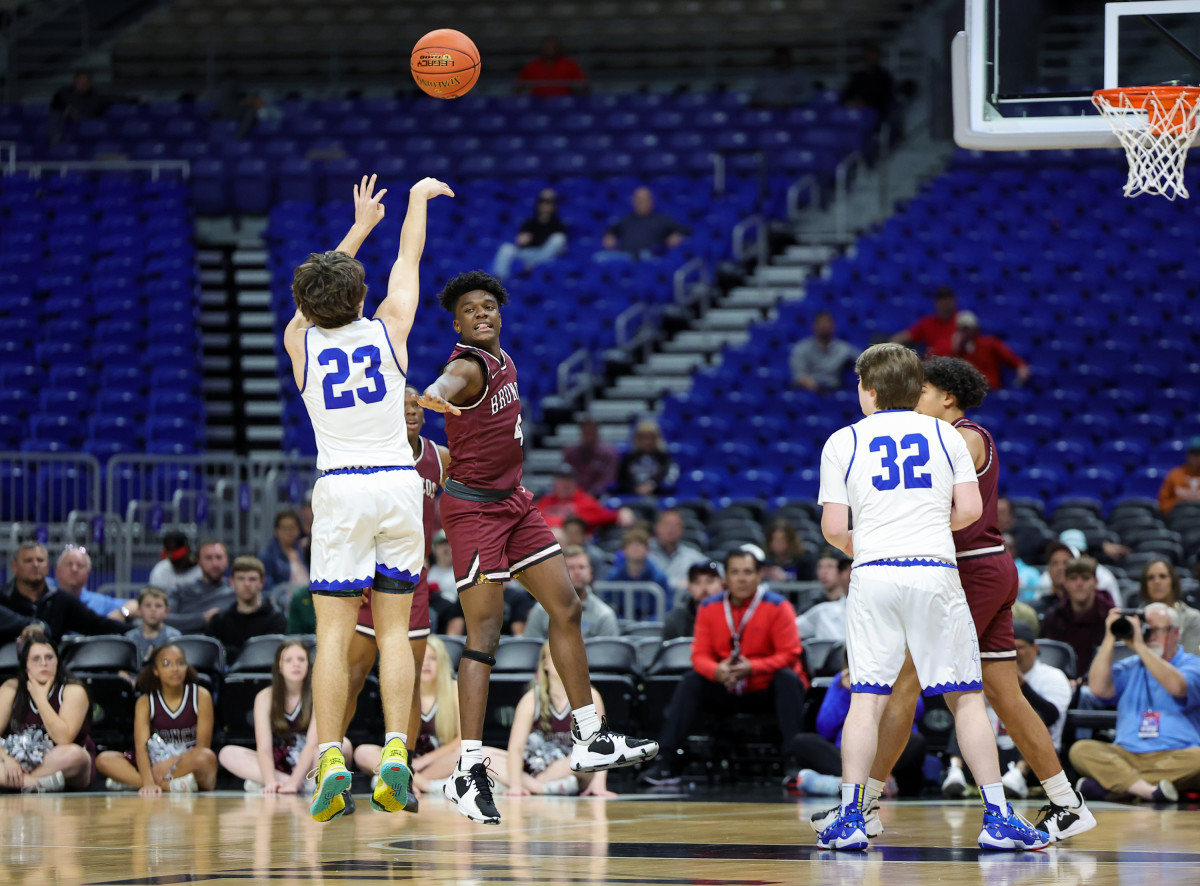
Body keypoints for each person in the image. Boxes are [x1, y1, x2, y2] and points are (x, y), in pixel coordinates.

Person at [418, 267, 659, 825]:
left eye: (488, 307)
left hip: (515, 503)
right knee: (484, 636)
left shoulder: (506, 361)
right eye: (469, 310)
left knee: (567, 607)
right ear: (456, 323)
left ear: (499, 314)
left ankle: (590, 736)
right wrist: (433, 396)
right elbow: (446, 384)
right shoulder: (467, 365)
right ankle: (468, 771)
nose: (481, 314)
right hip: (474, 511)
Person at [820, 356, 1092, 843]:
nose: (913, 399)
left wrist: (892, 532)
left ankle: (862, 806)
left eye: (921, 390)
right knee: (1003, 693)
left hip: (967, 568)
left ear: (946, 396)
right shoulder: (944, 437)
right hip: (976, 567)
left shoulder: (964, 436)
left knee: (905, 682)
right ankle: (1066, 801)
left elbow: (935, 509)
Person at [283, 175, 450, 822]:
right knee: (395, 635)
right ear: (360, 295)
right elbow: (409, 261)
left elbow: (307, 300)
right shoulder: (390, 329)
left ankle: (330, 757)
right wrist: (411, 204)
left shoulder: (300, 343)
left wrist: (356, 228)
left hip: (344, 486)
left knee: (332, 636)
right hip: (398, 485)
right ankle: (398, 755)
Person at [341, 383, 451, 813]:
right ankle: (328, 766)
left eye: (416, 405)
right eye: (402, 404)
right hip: (371, 577)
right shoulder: (373, 454)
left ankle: (397, 777)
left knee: (408, 687)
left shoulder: (438, 457)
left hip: (415, 581)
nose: (411, 410)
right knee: (350, 677)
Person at [640, 549, 806, 787]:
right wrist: (717, 671)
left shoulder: (779, 607)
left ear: (759, 576)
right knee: (691, 681)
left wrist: (754, 667)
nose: (741, 578)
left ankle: (794, 762)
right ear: (725, 578)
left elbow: (790, 654)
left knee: (788, 678)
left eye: (748, 572)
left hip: (763, 688)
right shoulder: (708, 607)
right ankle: (665, 762)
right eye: (735, 572)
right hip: (725, 686)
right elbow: (699, 656)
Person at [1071, 603, 1200, 803]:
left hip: (1176, 755)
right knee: (1080, 750)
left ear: (1175, 632)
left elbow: (1177, 686)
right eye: (1144, 629)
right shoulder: (1130, 666)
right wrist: (1110, 637)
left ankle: (1116, 787)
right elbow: (1098, 688)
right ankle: (1148, 791)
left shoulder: (1192, 664)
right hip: (1126, 754)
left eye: (1154, 630)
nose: (1148, 636)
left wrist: (1139, 646)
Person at [355, 636, 507, 796]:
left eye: (433, 658)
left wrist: (426, 761)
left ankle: (399, 781)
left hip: (439, 763)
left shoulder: (455, 689)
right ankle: (425, 785)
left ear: (442, 663)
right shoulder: (402, 693)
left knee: (468, 754)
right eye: (422, 658)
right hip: (403, 762)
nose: (426, 663)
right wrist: (410, 762)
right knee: (363, 752)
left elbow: (462, 739)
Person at [217, 640, 349, 794]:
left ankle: (307, 781)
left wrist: (294, 783)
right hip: (281, 760)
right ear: (279, 665)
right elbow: (264, 747)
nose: (296, 664)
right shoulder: (265, 696)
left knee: (342, 744)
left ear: (309, 664)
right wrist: (270, 781)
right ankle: (290, 783)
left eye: (301, 659)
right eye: (289, 660)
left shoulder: (319, 694)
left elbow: (312, 744)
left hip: (312, 762)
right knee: (227, 753)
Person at [787, 659, 926, 798]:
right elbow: (824, 728)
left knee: (916, 742)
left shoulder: (900, 678)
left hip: (889, 751)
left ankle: (845, 784)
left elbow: (917, 710)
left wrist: (888, 689)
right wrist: (845, 693)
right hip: (848, 752)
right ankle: (869, 783)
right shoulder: (841, 681)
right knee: (802, 742)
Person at [95, 642, 218, 794]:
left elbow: (202, 746)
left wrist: (170, 762)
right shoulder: (146, 701)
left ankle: (131, 781)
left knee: (206, 758)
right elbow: (141, 747)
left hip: (185, 763)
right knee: (104, 759)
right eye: (166, 664)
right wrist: (147, 783)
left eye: (180, 663)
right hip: (154, 763)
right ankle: (168, 786)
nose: (175, 669)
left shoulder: (200, 696)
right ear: (155, 670)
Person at [977, 621, 1073, 801]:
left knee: (1033, 716)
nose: (1014, 653)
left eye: (1019, 647)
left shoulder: (1053, 676)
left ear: (1035, 648)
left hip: (1036, 758)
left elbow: (1051, 715)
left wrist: (1021, 685)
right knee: (968, 716)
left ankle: (1019, 774)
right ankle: (955, 770)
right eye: (1009, 648)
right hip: (996, 751)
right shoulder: (988, 677)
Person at [506, 643, 617, 797]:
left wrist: (598, 786)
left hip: (572, 767)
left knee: (581, 758)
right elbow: (515, 749)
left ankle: (536, 785)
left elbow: (601, 745)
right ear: (544, 664)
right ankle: (546, 788)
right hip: (535, 765)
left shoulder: (589, 696)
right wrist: (515, 787)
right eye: (555, 656)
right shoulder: (531, 698)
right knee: (482, 755)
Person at [0, 628, 94, 792]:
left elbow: (63, 738)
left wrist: (40, 699)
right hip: (16, 760)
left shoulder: (73, 690)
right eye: (36, 659)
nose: (44, 663)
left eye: (49, 657)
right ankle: (36, 784)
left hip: (60, 763)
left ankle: (20, 783)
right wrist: (6, 759)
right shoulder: (10, 688)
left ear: (57, 661)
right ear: (25, 665)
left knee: (76, 755)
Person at [0, 542, 125, 643]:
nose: (35, 565)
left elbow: (96, 624)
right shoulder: (2, 599)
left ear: (48, 566)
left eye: (40, 560)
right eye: (28, 561)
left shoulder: (61, 600)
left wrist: (136, 631)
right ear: (14, 566)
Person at [523, 547, 619, 641]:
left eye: (582, 567)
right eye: (571, 568)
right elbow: (529, 651)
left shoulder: (604, 615)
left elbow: (608, 655)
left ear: (590, 572)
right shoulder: (541, 611)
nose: (577, 572)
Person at [204, 556, 288, 661]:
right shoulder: (218, 622)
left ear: (262, 582)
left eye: (252, 579)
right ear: (232, 582)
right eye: (241, 578)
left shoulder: (277, 621)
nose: (247, 584)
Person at [1041, 557, 1111, 676]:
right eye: (1073, 578)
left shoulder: (1111, 617)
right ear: (1066, 583)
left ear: (1096, 582)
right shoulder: (1053, 617)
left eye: (1085, 578)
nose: (1079, 584)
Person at [491, 188, 568, 280]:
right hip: (528, 254)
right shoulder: (528, 223)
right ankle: (500, 279)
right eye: (542, 202)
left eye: (549, 202)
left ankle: (536, 265)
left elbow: (561, 248)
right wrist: (521, 241)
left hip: (545, 256)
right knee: (506, 248)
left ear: (554, 205)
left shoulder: (559, 225)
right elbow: (521, 242)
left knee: (558, 238)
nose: (545, 205)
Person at [50, 545, 137, 623]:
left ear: (88, 574)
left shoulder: (99, 602)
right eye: (69, 564)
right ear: (57, 570)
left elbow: (136, 604)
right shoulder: (46, 594)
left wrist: (122, 612)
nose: (74, 569)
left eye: (80, 565)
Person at [596, 188, 688, 261]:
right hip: (625, 256)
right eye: (638, 199)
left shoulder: (662, 219)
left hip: (650, 256)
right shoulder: (627, 219)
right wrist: (608, 236)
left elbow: (684, 229)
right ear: (633, 202)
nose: (641, 202)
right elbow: (609, 230)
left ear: (651, 201)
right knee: (599, 257)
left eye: (644, 199)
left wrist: (677, 235)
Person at [166, 540, 236, 633]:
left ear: (227, 560)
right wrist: (202, 619)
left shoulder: (236, 592)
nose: (215, 564)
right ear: (199, 562)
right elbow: (164, 619)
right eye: (208, 558)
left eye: (219, 557)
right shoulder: (180, 591)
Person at [950, 311, 1030, 391]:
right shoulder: (959, 351)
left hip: (989, 389)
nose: (964, 333)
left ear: (974, 328)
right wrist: (956, 350)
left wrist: (1020, 365)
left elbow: (1010, 358)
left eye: (966, 329)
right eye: (961, 329)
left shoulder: (990, 343)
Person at [535, 465, 622, 531]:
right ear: (554, 482)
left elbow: (605, 515)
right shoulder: (546, 501)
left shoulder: (585, 500)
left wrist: (620, 513)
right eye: (561, 480)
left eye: (568, 480)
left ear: (575, 483)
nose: (565, 484)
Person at [1140, 559, 1200, 655]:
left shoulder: (1192, 618)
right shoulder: (1137, 618)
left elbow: (1189, 658)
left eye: (1162, 576)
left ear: (1173, 582)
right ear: (1145, 585)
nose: (1157, 581)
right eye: (1150, 578)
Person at [1038, 537, 1120, 606]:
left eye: (1066, 562)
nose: (1060, 568)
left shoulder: (1102, 606)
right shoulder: (1046, 609)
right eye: (1054, 563)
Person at [790, 311, 859, 393]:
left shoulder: (843, 348)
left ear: (833, 326)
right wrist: (816, 387)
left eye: (827, 322)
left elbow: (864, 360)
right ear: (814, 326)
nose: (824, 325)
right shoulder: (802, 348)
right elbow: (799, 376)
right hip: (809, 390)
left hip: (833, 391)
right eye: (821, 323)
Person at [604, 527, 673, 608]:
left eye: (640, 545)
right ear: (623, 551)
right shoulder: (612, 577)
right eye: (631, 545)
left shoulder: (659, 578)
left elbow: (666, 607)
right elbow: (606, 604)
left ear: (647, 550)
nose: (635, 548)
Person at [648, 509, 709, 597]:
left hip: (681, 608)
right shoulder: (644, 553)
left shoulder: (690, 555)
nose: (671, 529)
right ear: (656, 527)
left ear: (682, 530)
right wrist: (676, 583)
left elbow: (716, 568)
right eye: (667, 524)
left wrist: (696, 581)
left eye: (676, 525)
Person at [662, 561, 724, 642]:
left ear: (722, 584)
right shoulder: (674, 620)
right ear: (689, 587)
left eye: (710, 581)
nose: (704, 588)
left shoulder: (733, 616)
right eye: (697, 582)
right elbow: (669, 654)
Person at [614, 419, 678, 496]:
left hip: (658, 496)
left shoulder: (664, 458)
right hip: (632, 496)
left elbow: (668, 476)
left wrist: (652, 485)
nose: (647, 441)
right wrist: (635, 488)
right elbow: (622, 478)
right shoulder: (629, 458)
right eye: (643, 437)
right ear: (636, 439)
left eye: (650, 437)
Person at [796, 554, 850, 643]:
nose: (824, 572)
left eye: (830, 566)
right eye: (820, 567)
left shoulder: (857, 603)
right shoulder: (815, 607)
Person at [890, 285, 958, 357]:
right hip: (933, 364)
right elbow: (897, 339)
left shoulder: (962, 321)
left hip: (957, 364)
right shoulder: (928, 323)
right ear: (936, 302)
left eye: (948, 299)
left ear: (954, 301)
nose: (946, 304)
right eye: (942, 299)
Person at [562, 417, 619, 497]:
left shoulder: (608, 454)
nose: (588, 435)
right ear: (581, 433)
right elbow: (565, 476)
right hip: (574, 495)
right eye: (586, 432)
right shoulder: (571, 453)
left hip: (600, 496)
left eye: (591, 432)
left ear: (597, 432)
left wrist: (592, 494)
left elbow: (608, 479)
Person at [515, 36, 588, 97]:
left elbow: (584, 86)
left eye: (553, 46)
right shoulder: (531, 66)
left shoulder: (571, 65)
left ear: (559, 48)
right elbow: (518, 87)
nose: (550, 49)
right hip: (537, 105)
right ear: (542, 48)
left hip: (564, 105)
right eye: (547, 46)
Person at [840, 43, 895, 121]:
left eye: (873, 55)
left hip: (874, 113)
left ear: (879, 57)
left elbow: (885, 97)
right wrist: (850, 102)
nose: (871, 58)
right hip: (854, 113)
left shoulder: (885, 77)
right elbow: (847, 93)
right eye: (869, 55)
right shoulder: (859, 76)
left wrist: (865, 103)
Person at [258, 509, 309, 593]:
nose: (289, 532)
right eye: (284, 528)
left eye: (292, 528)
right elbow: (267, 586)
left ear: (298, 530)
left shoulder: (304, 551)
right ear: (276, 531)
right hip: (284, 602)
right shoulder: (267, 555)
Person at [125, 586, 181, 663]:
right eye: (148, 605)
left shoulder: (174, 637)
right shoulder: (129, 639)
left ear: (166, 611)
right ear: (139, 610)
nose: (153, 610)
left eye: (158, 606)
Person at [147, 531, 202, 595]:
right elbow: (154, 598)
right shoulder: (160, 570)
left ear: (187, 551)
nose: (175, 561)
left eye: (179, 559)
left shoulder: (201, 570)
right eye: (172, 559)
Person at [1158, 436, 1200, 516]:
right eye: (1194, 453)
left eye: (1199, 453)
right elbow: (1162, 506)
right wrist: (1178, 500)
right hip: (1179, 519)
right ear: (1188, 454)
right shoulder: (1175, 474)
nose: (1197, 457)